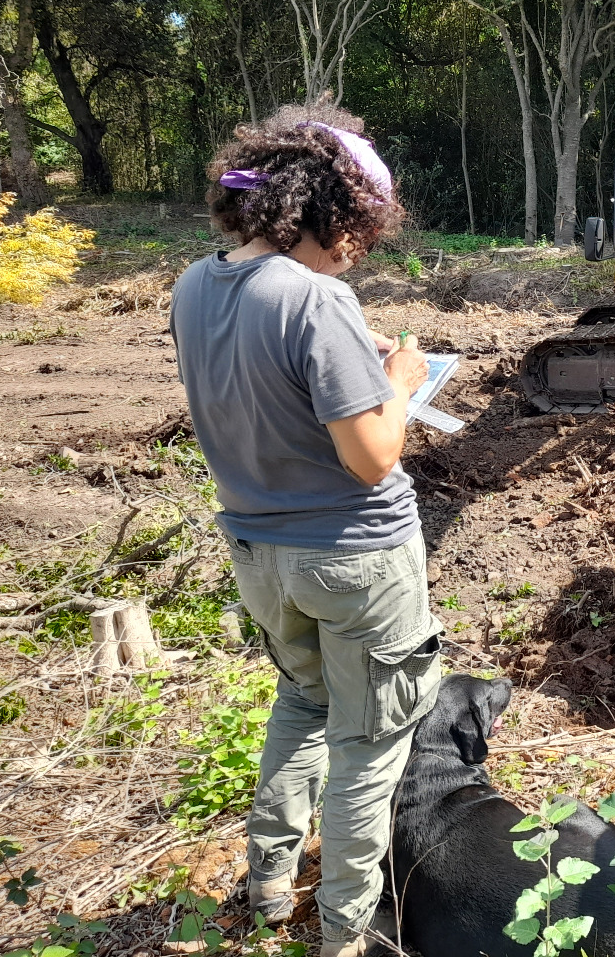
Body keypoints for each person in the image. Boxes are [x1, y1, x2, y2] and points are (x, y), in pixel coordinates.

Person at [169, 103, 439, 957]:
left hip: (258, 550)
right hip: (355, 556)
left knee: (302, 702)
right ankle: (348, 933)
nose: (356, 249)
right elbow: (371, 459)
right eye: (355, 231)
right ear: (318, 210)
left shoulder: (195, 284)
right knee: (368, 744)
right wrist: (397, 379)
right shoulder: (316, 299)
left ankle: (270, 886)